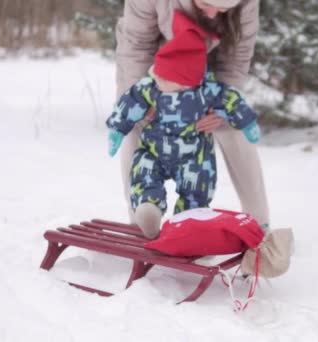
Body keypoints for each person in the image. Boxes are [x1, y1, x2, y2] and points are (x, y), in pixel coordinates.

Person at [114, 0, 270, 233]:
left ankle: (258, 224)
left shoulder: (245, 3)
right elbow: (136, 47)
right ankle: (142, 218)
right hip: (152, 62)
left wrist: (218, 107)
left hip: (212, 60)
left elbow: (237, 58)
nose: (212, 13)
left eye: (224, 9)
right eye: (206, 3)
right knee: (136, 124)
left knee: (231, 127)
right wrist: (145, 100)